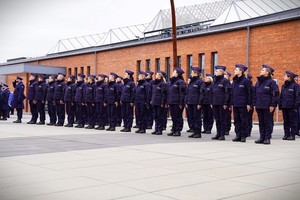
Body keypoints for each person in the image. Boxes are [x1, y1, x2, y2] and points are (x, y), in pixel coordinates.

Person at [254, 65, 279, 145]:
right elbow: (255, 94)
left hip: (267, 106)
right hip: (259, 105)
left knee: (267, 122)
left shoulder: (272, 82)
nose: (261, 71)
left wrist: (272, 105)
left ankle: (267, 138)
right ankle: (262, 137)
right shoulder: (258, 82)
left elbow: (275, 94)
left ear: (267, 72)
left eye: (263, 70)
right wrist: (255, 103)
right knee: (261, 122)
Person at [231, 64, 252, 142]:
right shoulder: (235, 81)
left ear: (241, 71)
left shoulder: (246, 81)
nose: (234, 71)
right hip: (235, 103)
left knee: (243, 120)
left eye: (236, 70)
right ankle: (238, 135)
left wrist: (248, 103)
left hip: (243, 104)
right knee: (236, 120)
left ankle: (243, 135)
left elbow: (249, 93)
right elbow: (232, 93)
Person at [211, 66, 231, 140]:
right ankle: (218, 133)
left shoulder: (225, 81)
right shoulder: (215, 81)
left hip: (222, 103)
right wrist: (211, 102)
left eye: (217, 71)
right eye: (215, 71)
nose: (215, 72)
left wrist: (226, 103)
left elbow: (227, 93)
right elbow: (212, 92)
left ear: (222, 72)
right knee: (217, 119)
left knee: (222, 119)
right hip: (215, 102)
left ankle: (222, 134)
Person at [279, 71, 300, 140]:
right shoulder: (283, 86)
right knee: (286, 122)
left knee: (292, 121)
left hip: (292, 107)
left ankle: (292, 135)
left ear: (289, 77)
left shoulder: (295, 86)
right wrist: (280, 105)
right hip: (285, 106)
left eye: (285, 76)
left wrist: (295, 106)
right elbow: (281, 96)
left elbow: (298, 97)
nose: (284, 77)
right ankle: (286, 134)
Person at [185, 67, 205, 138]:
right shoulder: (191, 82)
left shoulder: (200, 82)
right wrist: (186, 102)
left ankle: (198, 132)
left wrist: (200, 103)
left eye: (192, 72)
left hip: (196, 103)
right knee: (192, 117)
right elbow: (187, 93)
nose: (191, 73)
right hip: (190, 102)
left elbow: (202, 93)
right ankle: (194, 131)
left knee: (197, 118)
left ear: (196, 73)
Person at [167, 67, 186, 137]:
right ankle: (174, 129)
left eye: (174, 72)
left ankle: (178, 130)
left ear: (177, 74)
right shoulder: (171, 82)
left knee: (178, 116)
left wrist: (181, 102)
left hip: (177, 102)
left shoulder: (180, 82)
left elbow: (182, 93)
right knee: (173, 116)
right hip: (171, 101)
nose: (172, 73)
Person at [150, 70, 167, 135]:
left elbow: (164, 94)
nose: (156, 75)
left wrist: (163, 102)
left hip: (159, 102)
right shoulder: (155, 83)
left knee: (160, 116)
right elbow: (152, 93)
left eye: (157, 74)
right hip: (154, 102)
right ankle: (156, 128)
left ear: (160, 75)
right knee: (155, 116)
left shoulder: (162, 84)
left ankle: (160, 129)